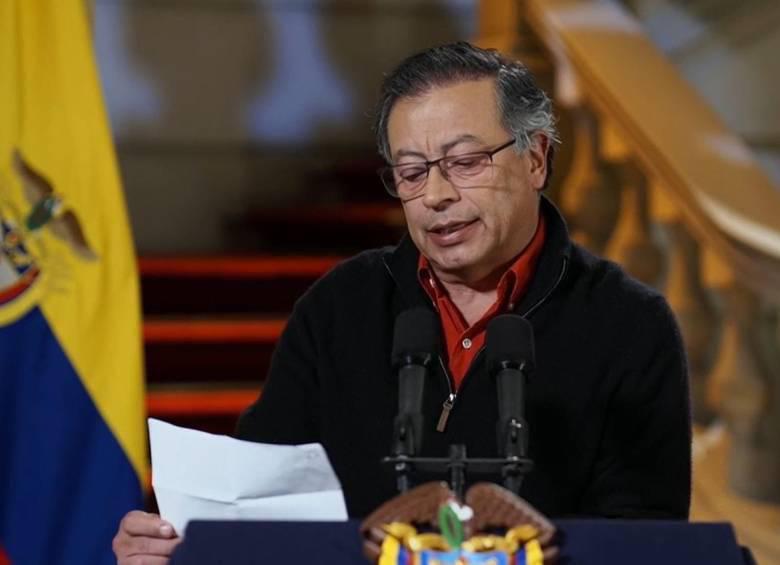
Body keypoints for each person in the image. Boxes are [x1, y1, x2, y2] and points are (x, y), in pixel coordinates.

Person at [113, 42, 691, 564]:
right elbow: (258, 502)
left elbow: (645, 539)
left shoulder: (629, 324)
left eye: (465, 163)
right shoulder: (340, 306)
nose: (435, 196)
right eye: (411, 173)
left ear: (535, 158)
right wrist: (178, 546)